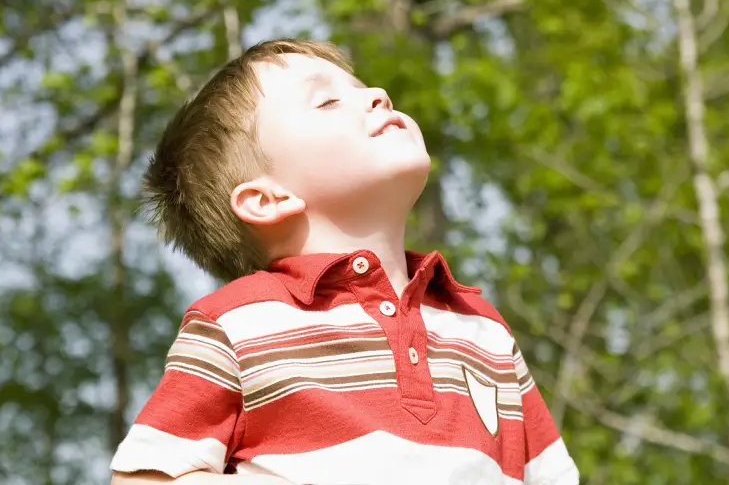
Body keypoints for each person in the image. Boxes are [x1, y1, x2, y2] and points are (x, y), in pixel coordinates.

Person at [110, 39, 580, 485]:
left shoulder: (484, 330)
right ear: (267, 198)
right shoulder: (237, 324)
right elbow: (146, 476)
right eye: (326, 102)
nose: (378, 94)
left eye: (362, 87)